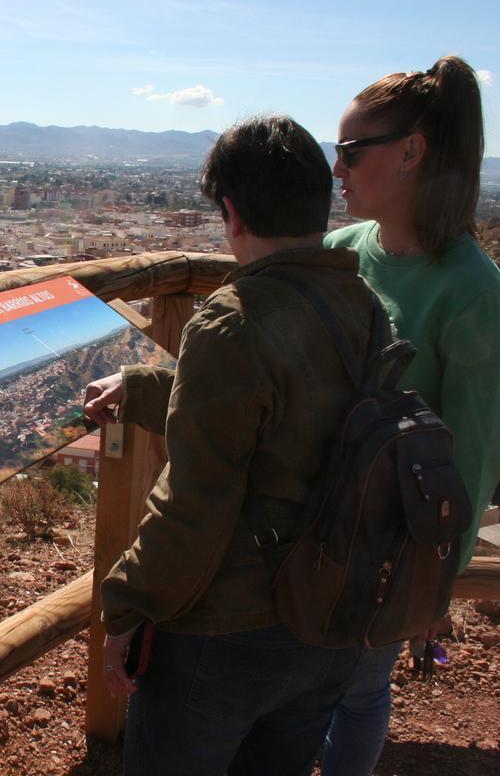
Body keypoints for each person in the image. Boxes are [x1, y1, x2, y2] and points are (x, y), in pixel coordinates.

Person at [84, 115, 374, 775]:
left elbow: (195, 501)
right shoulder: (361, 304)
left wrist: (127, 606)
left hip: (227, 634)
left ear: (233, 213)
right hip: (330, 614)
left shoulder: (232, 321)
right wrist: (140, 385)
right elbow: (281, 409)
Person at [321, 56, 500, 775]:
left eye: (349, 152)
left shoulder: (474, 292)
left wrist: (439, 582)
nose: (336, 170)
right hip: (316, 525)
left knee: (359, 690)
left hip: (390, 545)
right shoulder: (341, 254)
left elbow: (477, 449)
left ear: (410, 152)